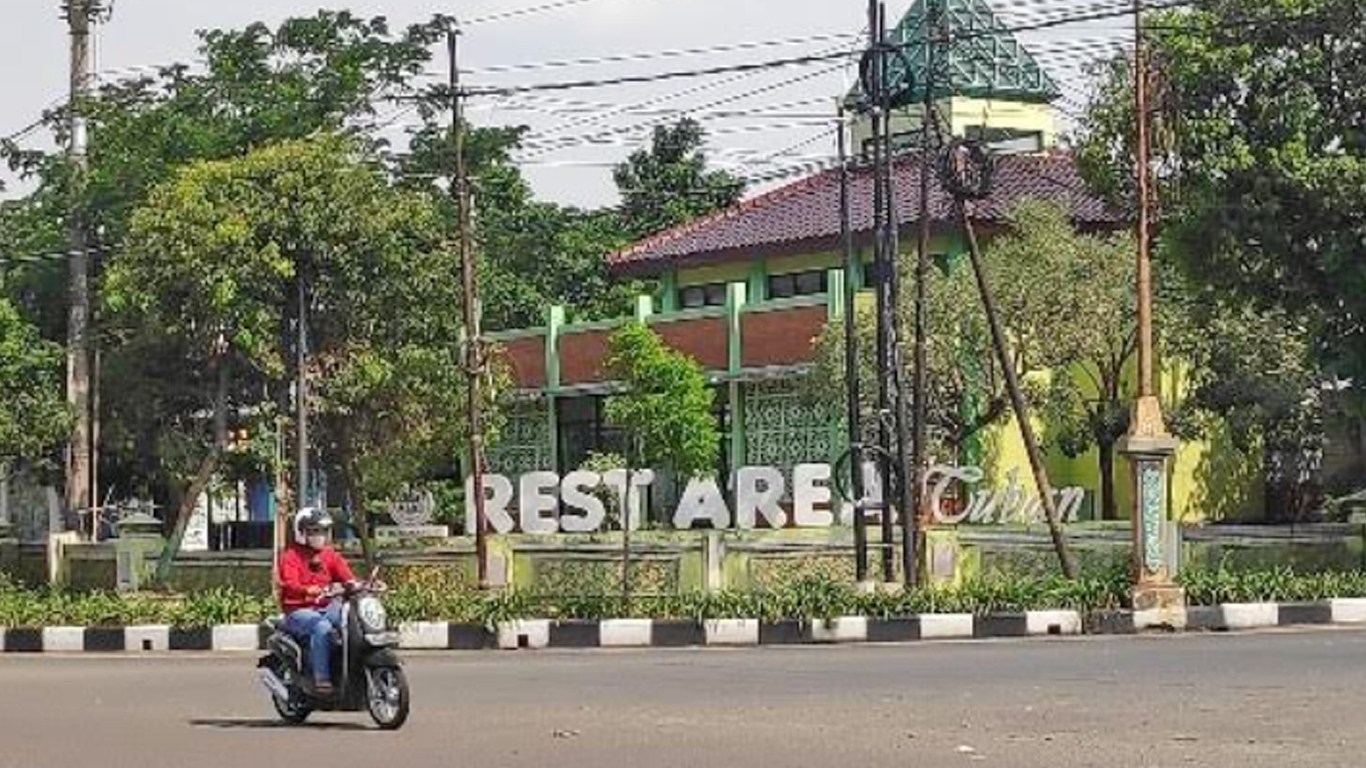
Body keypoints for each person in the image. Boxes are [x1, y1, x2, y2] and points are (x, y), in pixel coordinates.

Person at [278, 507, 356, 696]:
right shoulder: (290, 557)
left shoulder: (330, 555)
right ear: (301, 532)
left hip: (327, 606)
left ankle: (350, 670)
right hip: (298, 611)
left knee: (351, 619)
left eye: (322, 531)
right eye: (314, 531)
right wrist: (307, 590)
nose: (319, 536)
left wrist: (364, 585)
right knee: (322, 627)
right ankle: (322, 679)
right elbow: (289, 583)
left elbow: (348, 578)